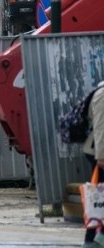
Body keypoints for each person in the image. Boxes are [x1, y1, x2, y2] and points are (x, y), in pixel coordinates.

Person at [82, 81, 104, 247]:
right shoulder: (103, 94)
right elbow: (100, 128)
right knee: (97, 198)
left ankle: (94, 238)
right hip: (99, 153)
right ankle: (94, 238)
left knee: (98, 199)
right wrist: (101, 156)